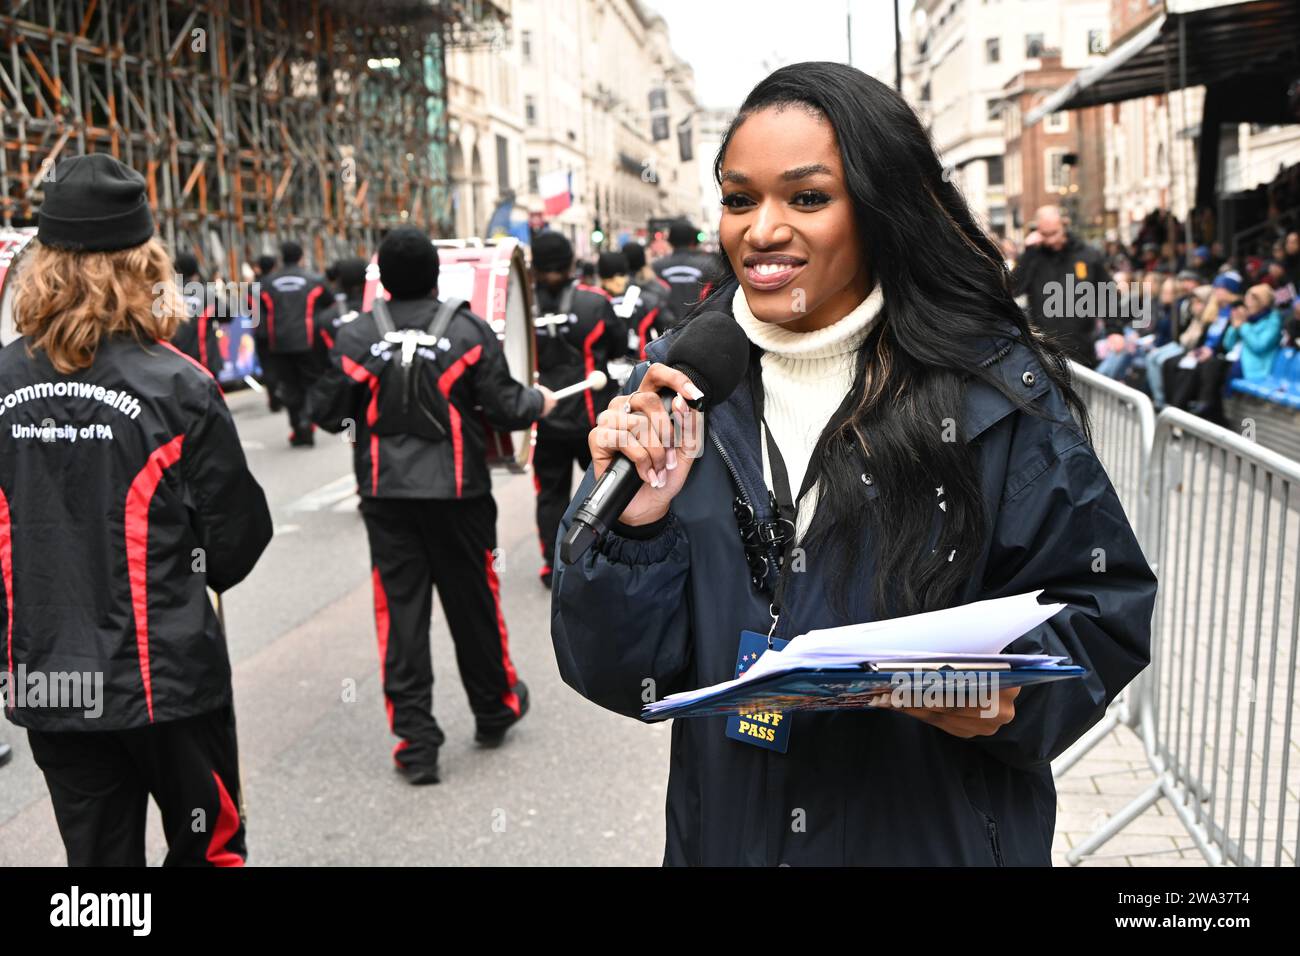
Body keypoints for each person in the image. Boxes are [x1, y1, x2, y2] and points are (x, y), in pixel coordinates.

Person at [551, 62, 1154, 866]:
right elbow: (619, 674)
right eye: (739, 199)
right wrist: (633, 531)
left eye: (806, 198)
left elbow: (1102, 606)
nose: (761, 230)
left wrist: (999, 698)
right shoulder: (676, 395)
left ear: (881, 210)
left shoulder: (995, 392)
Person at [0, 153, 272, 865]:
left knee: (96, 879)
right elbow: (236, 545)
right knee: (209, 849)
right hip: (167, 683)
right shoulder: (179, 386)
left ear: (43, 267)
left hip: (50, 679)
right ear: (144, 263)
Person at [311, 227, 557, 784]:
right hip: (460, 497)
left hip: (386, 498)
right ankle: (494, 708)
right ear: (435, 275)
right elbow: (507, 407)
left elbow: (325, 413)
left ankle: (417, 745)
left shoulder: (355, 337)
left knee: (400, 617)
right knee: (474, 604)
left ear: (382, 281)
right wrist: (538, 399)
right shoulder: (467, 330)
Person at [530, 231, 625, 589]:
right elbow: (617, 346)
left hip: (544, 419)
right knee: (603, 489)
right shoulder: (595, 301)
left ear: (534, 266)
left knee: (550, 493)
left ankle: (549, 565)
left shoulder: (521, 307)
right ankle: (597, 555)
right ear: (571, 261)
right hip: (592, 418)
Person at [1010, 205, 1112, 367]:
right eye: (1044, 234)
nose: (1050, 239)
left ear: (1064, 225)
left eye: (1054, 233)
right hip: (1044, 350)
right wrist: (1028, 254)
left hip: (1081, 347)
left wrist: (1115, 330)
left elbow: (1107, 293)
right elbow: (1012, 289)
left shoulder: (1087, 255)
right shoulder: (1034, 257)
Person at [256, 240, 327, 446]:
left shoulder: (267, 284)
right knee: (310, 384)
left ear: (281, 257)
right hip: (308, 341)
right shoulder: (314, 280)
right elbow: (329, 303)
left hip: (279, 343)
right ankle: (307, 421)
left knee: (290, 386)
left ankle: (298, 426)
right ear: (301, 256)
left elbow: (259, 310)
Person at [596, 251, 675, 363]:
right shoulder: (647, 299)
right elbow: (669, 331)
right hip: (640, 369)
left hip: (602, 373)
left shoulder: (593, 302)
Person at [170, 251, 224, 378]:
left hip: (177, 364)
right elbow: (227, 316)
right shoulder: (207, 293)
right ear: (196, 270)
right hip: (205, 362)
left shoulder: (168, 295)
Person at [621, 241, 678, 356]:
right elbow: (667, 327)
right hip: (644, 356)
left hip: (618, 356)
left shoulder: (616, 288)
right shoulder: (659, 287)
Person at [652, 219, 717, 321]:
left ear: (670, 241)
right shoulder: (709, 264)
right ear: (692, 240)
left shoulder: (657, 267)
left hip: (668, 329)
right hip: (700, 325)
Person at [1223, 284, 1283, 384]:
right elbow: (1228, 345)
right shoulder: (1249, 319)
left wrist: (1243, 326)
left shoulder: (1272, 322)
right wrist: (1234, 325)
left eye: (1252, 299)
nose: (1247, 303)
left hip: (1256, 370)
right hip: (1238, 363)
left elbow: (1259, 346)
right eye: (1247, 298)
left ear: (1263, 303)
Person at [250, 253, 279, 411]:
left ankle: (273, 397)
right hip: (277, 330)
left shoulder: (252, 288)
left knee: (267, 366)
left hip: (260, 331)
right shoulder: (275, 284)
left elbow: (249, 310)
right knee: (279, 364)